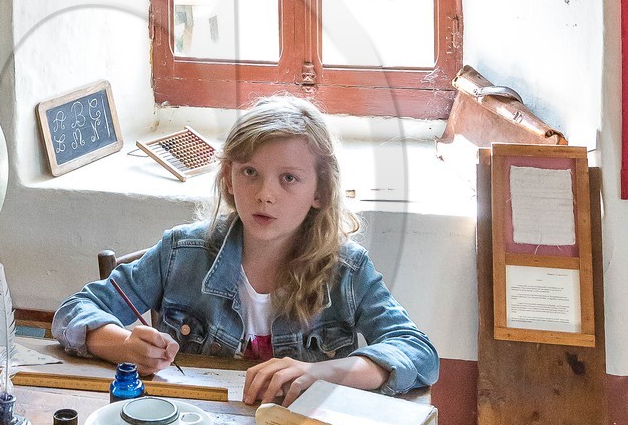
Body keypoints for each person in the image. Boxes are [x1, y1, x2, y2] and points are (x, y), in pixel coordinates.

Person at [52, 96, 439, 406]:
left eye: (289, 178)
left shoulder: (347, 270)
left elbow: (417, 352)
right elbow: (73, 311)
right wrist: (123, 345)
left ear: (320, 192)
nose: (265, 194)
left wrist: (321, 373)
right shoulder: (180, 254)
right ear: (228, 178)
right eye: (249, 172)